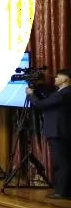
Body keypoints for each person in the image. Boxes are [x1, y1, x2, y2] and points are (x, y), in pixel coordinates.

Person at [30, 68, 71, 199]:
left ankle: (61, 192)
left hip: (59, 132)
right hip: (57, 131)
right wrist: (39, 85)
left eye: (58, 76)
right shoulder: (60, 92)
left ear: (65, 79)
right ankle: (62, 190)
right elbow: (49, 95)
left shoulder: (65, 93)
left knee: (61, 163)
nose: (55, 78)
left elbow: (41, 104)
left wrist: (30, 94)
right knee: (60, 162)